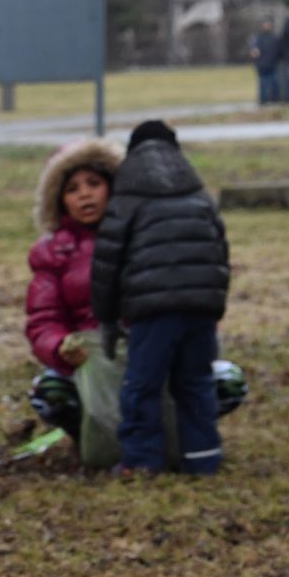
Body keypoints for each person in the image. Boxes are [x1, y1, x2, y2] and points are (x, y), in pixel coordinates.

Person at [91, 121, 231, 476]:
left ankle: (141, 460)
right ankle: (203, 458)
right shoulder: (200, 195)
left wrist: (106, 317)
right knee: (196, 382)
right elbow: (220, 250)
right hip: (201, 307)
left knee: (142, 384)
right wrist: (214, 302)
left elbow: (107, 262)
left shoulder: (127, 197)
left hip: (152, 310)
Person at [23, 138, 124, 444]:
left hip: (144, 356)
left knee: (223, 382)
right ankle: (92, 436)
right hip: (86, 364)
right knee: (50, 393)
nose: (85, 194)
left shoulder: (144, 237)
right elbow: (43, 319)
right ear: (59, 200)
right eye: (72, 189)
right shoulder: (52, 253)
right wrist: (59, 347)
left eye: (94, 183)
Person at [248, 19, 283, 106]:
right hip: (262, 65)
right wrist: (254, 52)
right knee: (263, 84)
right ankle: (263, 102)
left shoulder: (275, 37)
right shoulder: (258, 38)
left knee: (275, 84)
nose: (266, 26)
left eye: (268, 24)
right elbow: (253, 51)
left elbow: (280, 51)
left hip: (273, 65)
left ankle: (275, 101)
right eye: (265, 24)